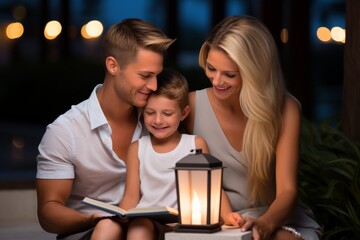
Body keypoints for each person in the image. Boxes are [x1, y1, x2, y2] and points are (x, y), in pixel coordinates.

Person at [184, 15, 323, 240]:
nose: (216, 80)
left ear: (254, 73)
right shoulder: (190, 106)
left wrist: (265, 224)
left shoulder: (285, 108)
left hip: (275, 217)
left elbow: (287, 191)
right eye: (211, 68)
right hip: (218, 219)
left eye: (229, 74)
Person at [36, 18, 175, 240]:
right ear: (113, 65)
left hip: (146, 229)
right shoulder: (65, 131)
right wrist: (92, 219)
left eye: (157, 75)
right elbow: (48, 212)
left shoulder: (160, 120)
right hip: (88, 232)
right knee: (107, 228)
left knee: (141, 229)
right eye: (145, 76)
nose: (154, 86)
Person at [92, 68, 209, 240]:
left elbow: (211, 189)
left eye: (167, 114)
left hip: (180, 224)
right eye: (150, 112)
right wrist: (120, 216)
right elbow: (131, 196)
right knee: (138, 227)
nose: (158, 120)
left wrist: (228, 216)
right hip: (144, 224)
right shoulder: (138, 148)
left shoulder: (194, 145)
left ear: (183, 113)